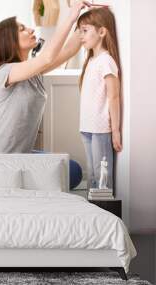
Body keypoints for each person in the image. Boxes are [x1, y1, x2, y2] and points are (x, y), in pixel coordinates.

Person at [0, 1, 90, 153]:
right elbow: (47, 58)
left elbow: (69, 50)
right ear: (9, 40)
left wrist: (85, 19)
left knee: (72, 169)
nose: (31, 30)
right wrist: (71, 17)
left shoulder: (32, 72)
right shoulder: (6, 71)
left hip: (20, 154)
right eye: (22, 29)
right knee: (70, 170)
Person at [77, 7, 122, 189]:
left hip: (100, 128)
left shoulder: (106, 61)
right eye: (80, 31)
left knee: (101, 175)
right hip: (87, 126)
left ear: (102, 32)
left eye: (85, 31)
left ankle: (104, 213)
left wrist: (116, 131)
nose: (81, 36)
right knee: (93, 174)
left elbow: (114, 97)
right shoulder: (91, 61)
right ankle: (92, 212)